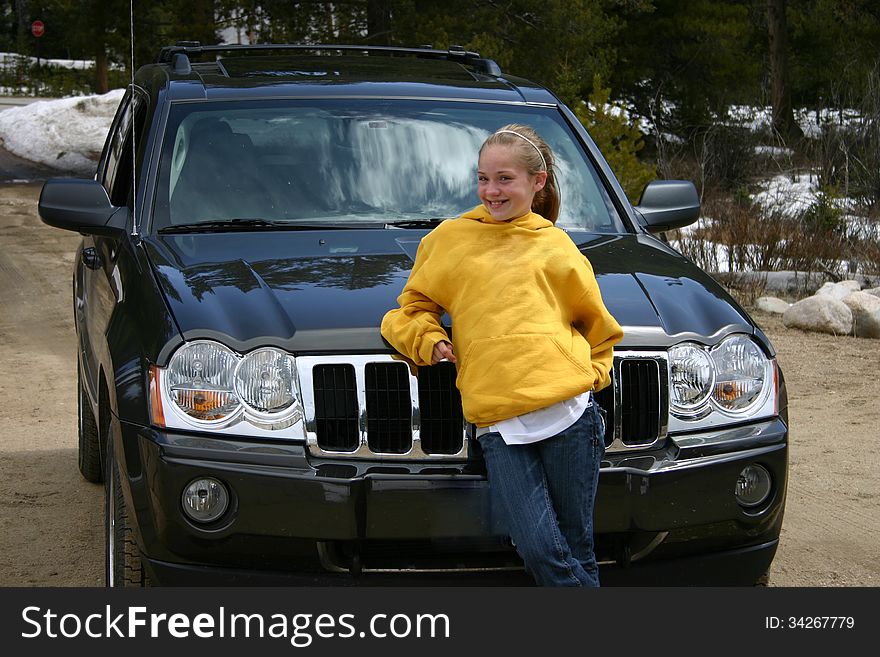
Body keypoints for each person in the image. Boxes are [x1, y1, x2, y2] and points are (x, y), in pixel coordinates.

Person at [380, 123, 624, 586]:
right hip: (499, 423)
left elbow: (598, 327)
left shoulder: (556, 245)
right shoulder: (450, 240)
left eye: (505, 178)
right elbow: (406, 313)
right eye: (483, 178)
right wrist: (429, 340)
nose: (491, 190)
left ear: (538, 182)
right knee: (539, 549)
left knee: (576, 546)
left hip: (570, 416)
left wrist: (591, 376)